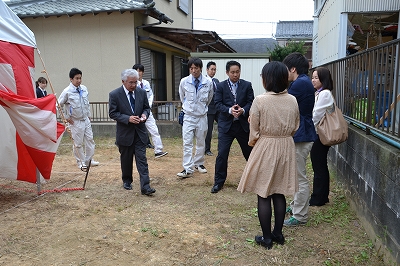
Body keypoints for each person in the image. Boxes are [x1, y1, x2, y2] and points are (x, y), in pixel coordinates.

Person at [237, 61, 300, 249]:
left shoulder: (260, 100)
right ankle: (278, 234)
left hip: (266, 145)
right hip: (286, 145)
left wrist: (256, 142)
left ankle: (266, 238)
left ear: (267, 79)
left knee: (264, 193)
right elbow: (296, 126)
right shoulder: (292, 100)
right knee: (279, 191)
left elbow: (254, 131)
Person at [282, 52, 317, 226]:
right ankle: (296, 205)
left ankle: (300, 215)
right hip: (302, 133)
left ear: (293, 69)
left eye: (285, 69)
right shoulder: (303, 81)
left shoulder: (299, 84)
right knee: (297, 175)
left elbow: (283, 103)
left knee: (300, 177)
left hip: (302, 135)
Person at [108, 69, 156, 196]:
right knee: (126, 159)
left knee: (142, 160)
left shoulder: (141, 92)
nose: (134, 85)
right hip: (125, 133)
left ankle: (145, 186)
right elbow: (113, 113)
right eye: (131, 83)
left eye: (135, 82)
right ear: (123, 81)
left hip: (140, 132)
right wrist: (127, 118)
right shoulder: (115, 94)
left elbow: (147, 108)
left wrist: (145, 115)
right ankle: (127, 180)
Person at [211, 60, 254, 193]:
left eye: (237, 72)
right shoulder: (221, 86)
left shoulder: (247, 85)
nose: (235, 75)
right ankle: (219, 182)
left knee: (250, 154)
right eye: (233, 72)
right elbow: (217, 103)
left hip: (242, 126)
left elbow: (251, 102)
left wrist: (243, 110)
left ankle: (255, 180)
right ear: (227, 72)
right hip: (226, 126)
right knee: (222, 154)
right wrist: (229, 110)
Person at [177, 57, 213, 178]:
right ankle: (187, 168)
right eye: (191, 68)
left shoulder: (208, 82)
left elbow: (209, 98)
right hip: (188, 116)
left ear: (200, 68)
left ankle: (199, 163)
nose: (193, 71)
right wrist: (189, 108)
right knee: (187, 142)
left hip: (202, 116)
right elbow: (182, 97)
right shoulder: (184, 81)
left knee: (201, 141)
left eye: (196, 68)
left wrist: (201, 108)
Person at [58, 68, 99, 169]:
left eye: (80, 78)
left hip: (85, 119)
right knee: (78, 143)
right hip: (75, 121)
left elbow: (87, 103)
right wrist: (66, 117)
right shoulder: (67, 91)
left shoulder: (84, 88)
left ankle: (89, 160)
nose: (79, 80)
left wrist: (89, 114)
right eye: (77, 78)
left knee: (90, 140)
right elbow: (58, 105)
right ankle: (81, 162)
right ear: (71, 79)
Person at [309, 67, 335, 206]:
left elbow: (316, 115)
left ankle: (318, 198)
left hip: (321, 134)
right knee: (320, 165)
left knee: (318, 166)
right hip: (320, 134)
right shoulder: (320, 93)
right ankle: (322, 196)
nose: (313, 80)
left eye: (316, 78)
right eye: (312, 77)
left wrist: (308, 130)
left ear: (323, 79)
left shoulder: (324, 94)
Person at [132, 64, 168, 159]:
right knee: (133, 132)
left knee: (154, 130)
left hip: (147, 112)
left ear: (143, 72)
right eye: (136, 71)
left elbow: (151, 95)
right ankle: (132, 150)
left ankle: (158, 150)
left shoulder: (146, 83)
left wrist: (147, 107)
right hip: (135, 112)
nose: (138, 73)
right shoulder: (132, 84)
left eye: (140, 71)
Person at [204, 61, 219, 156]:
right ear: (207, 70)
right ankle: (207, 149)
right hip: (209, 109)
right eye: (211, 69)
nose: (213, 71)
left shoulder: (216, 81)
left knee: (222, 126)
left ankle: (221, 146)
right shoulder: (204, 81)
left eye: (215, 70)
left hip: (218, 108)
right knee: (209, 130)